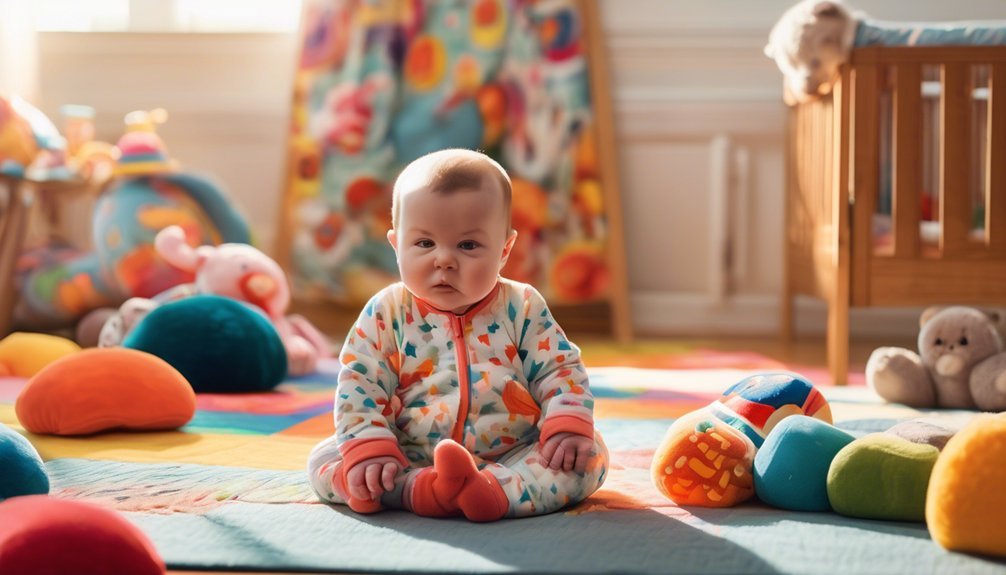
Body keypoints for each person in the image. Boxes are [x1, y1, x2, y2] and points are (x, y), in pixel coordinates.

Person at [307, 148, 608, 521]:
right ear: (395, 245)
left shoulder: (523, 306)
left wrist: (566, 428)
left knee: (588, 455)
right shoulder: (386, 313)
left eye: (467, 245)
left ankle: (494, 492)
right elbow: (360, 384)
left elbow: (558, 370)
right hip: (408, 451)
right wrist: (372, 450)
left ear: (504, 249)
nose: (444, 260)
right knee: (328, 460)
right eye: (424, 243)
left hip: (513, 452)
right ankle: (421, 489)